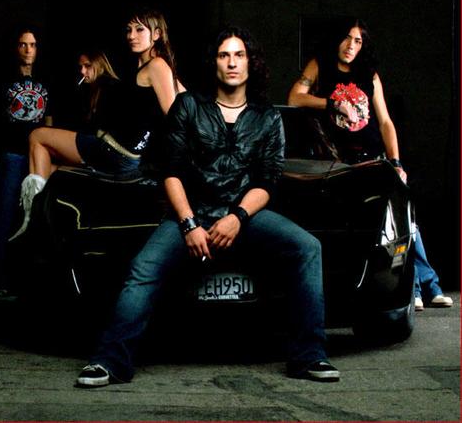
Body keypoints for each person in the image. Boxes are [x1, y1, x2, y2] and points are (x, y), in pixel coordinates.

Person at [75, 26, 340, 388]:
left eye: (239, 55)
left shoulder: (267, 117)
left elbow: (266, 183)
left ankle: (310, 356)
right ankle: (110, 362)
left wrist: (237, 218)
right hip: (191, 212)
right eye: (224, 55)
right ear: (214, 63)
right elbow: (170, 171)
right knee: (143, 267)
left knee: (308, 247)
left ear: (250, 63)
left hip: (244, 215)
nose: (232, 63)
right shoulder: (189, 106)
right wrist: (188, 224)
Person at [287, 17, 452, 312]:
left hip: (375, 158)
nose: (351, 45)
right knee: (377, 225)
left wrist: (396, 162)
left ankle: (427, 287)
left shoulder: (369, 74)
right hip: (341, 163)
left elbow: (385, 122)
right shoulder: (320, 66)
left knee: (402, 218)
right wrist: (331, 103)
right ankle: (414, 288)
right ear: (337, 39)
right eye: (347, 38)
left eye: (358, 40)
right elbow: (294, 98)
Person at [10, 8, 185, 240]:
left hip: (114, 152)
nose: (131, 35)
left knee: (37, 136)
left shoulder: (156, 65)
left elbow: (176, 115)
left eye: (139, 29)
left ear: (157, 34)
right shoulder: (154, 67)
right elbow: (186, 101)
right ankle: (43, 220)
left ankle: (33, 219)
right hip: (121, 154)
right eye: (128, 30)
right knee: (51, 167)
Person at [0, 25, 53, 299]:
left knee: (35, 218)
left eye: (33, 45)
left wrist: (50, 154)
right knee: (3, 217)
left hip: (37, 158)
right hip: (10, 156)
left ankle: (27, 280)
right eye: (23, 44)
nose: (28, 50)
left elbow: (49, 120)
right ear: (15, 47)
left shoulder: (45, 78)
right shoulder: (0, 78)